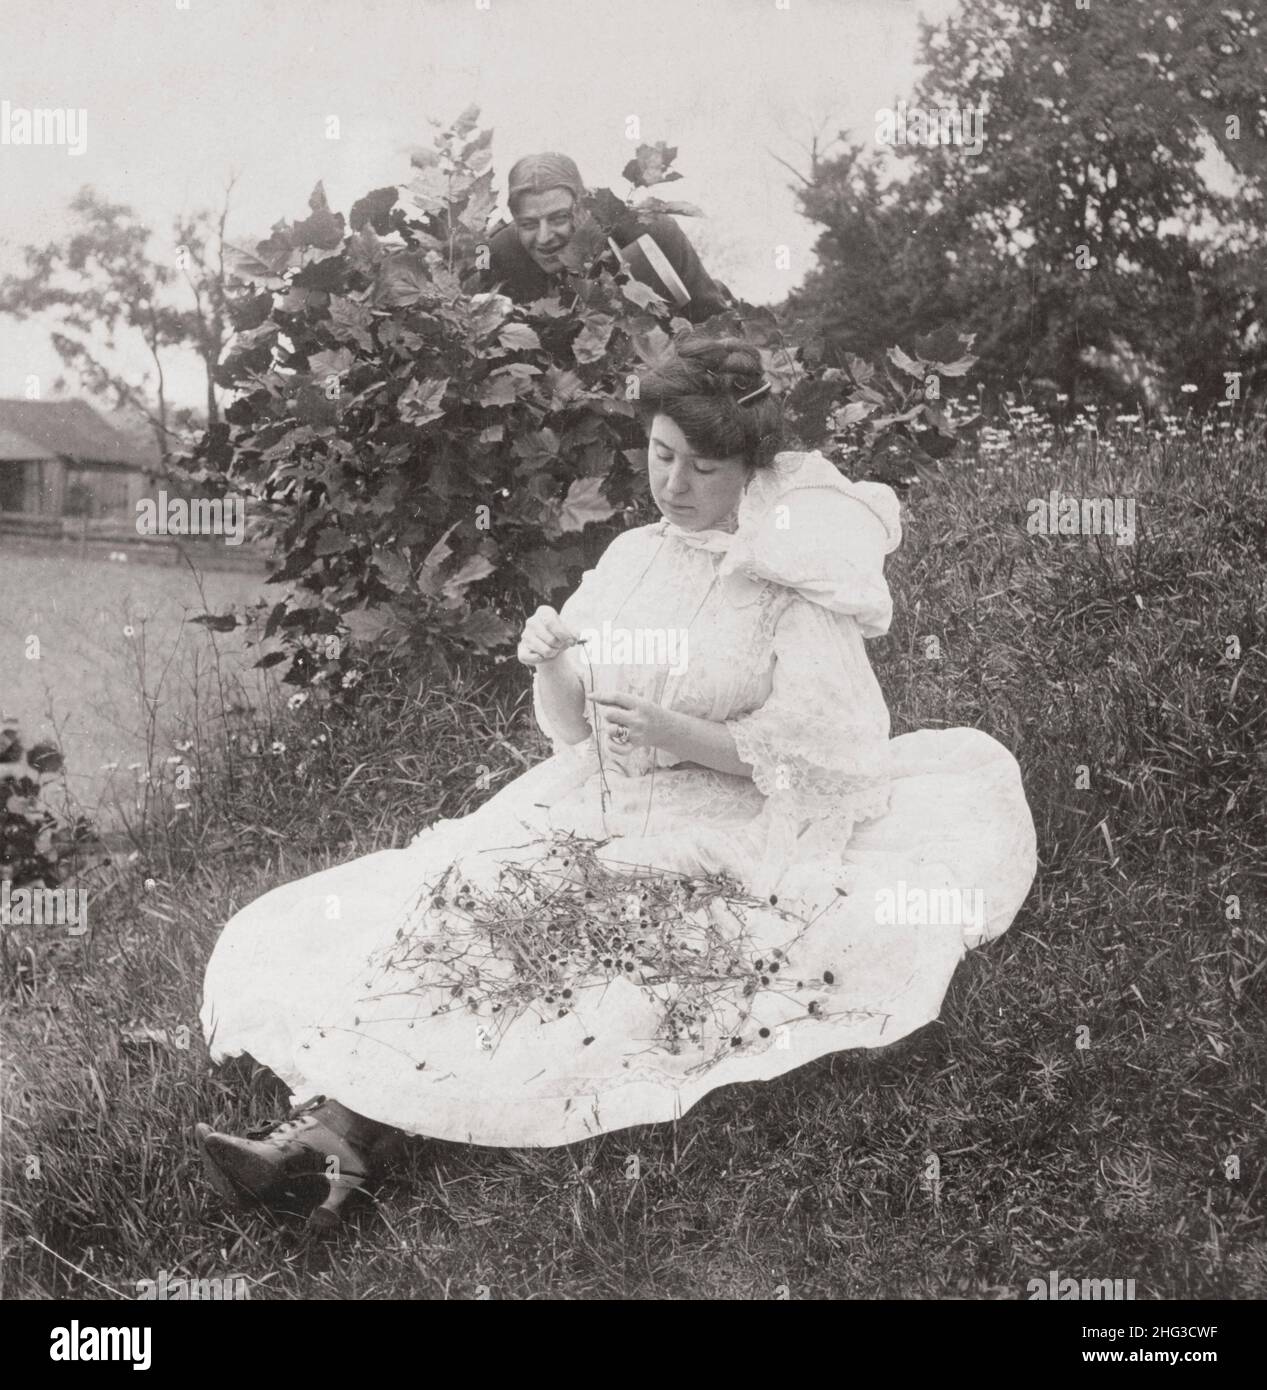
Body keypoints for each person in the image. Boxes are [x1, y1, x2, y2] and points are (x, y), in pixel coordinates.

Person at [196, 337, 1037, 1233]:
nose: (673, 484)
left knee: (582, 981)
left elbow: (835, 755)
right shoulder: (637, 554)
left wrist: (688, 739)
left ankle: (333, 1143)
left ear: (748, 470)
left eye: (701, 467)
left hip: (732, 821)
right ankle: (330, 1137)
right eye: (660, 454)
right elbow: (571, 729)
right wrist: (553, 664)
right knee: (458, 905)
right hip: (596, 801)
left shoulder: (788, 579)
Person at [484, 151, 729, 322]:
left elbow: (716, 328)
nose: (544, 237)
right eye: (528, 224)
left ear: (583, 207)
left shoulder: (647, 234)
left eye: (559, 218)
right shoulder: (501, 254)